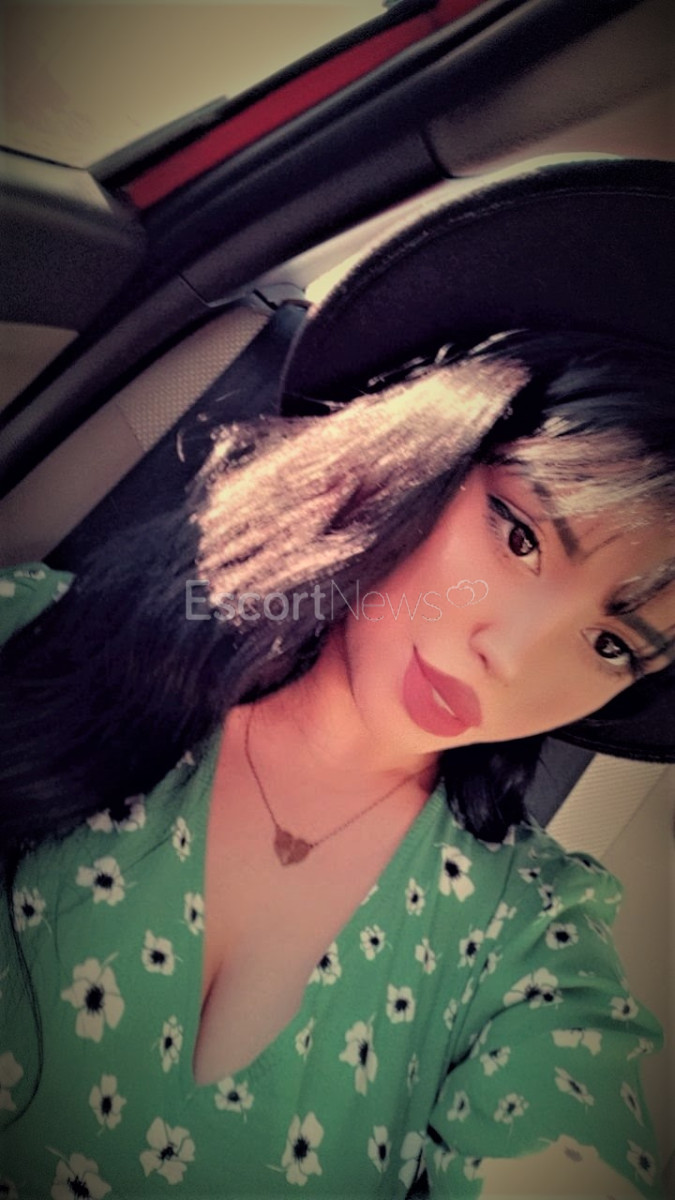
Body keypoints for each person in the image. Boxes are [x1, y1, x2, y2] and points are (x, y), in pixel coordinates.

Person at [1, 157, 673, 1199]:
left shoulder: (526, 938)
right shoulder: (38, 633)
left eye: (612, 646)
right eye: (520, 536)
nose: (512, 656)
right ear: (431, 449)